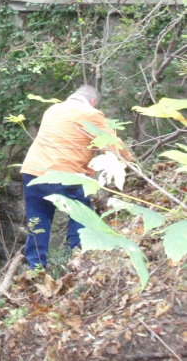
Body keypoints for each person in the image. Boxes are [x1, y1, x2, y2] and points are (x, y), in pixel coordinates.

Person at [20, 85, 132, 270]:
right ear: (93, 101)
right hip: (63, 174)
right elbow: (111, 144)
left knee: (37, 221)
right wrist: (132, 163)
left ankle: (36, 268)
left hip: (32, 171)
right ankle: (76, 255)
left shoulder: (52, 109)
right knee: (82, 211)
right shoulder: (91, 114)